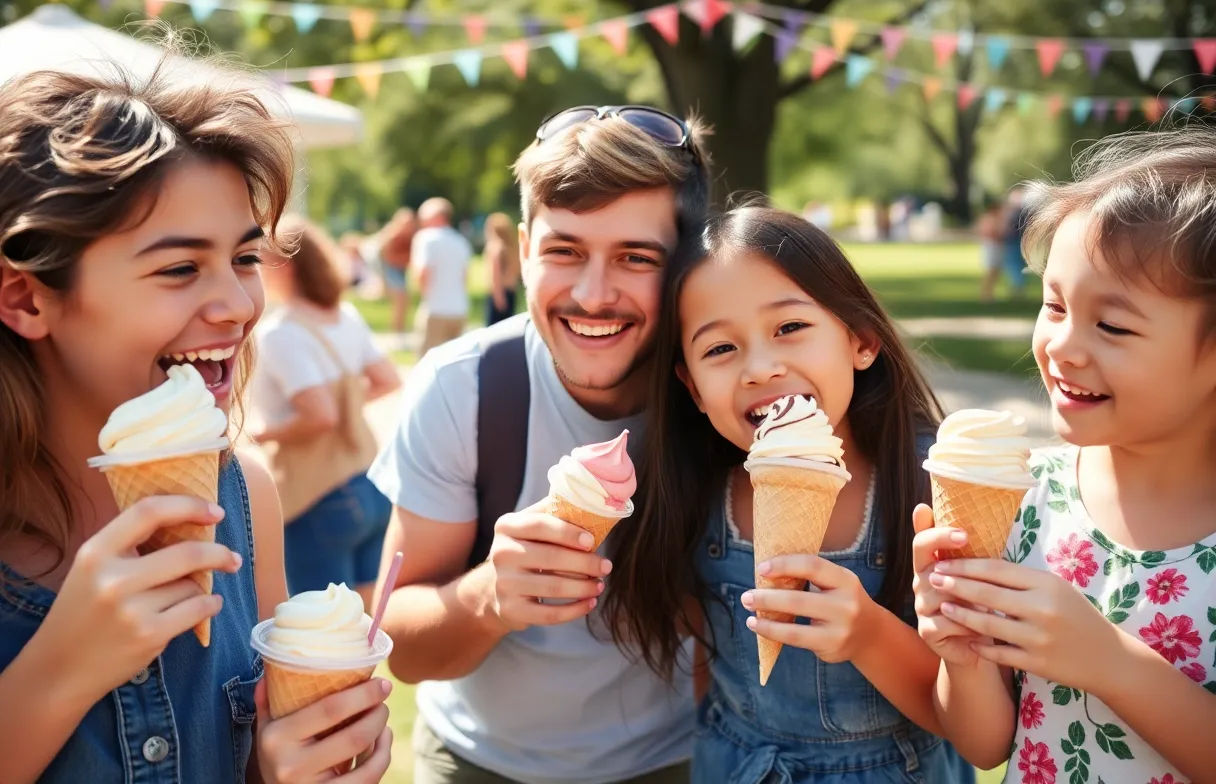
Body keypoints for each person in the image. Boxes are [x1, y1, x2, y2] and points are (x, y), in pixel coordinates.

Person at [0, 65, 391, 782]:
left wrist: (281, 769)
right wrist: (59, 672)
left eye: (245, 258)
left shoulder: (246, 498)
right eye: (180, 268)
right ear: (26, 298)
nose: (239, 305)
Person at [368, 105, 712, 784]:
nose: (592, 294)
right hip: (477, 761)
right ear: (523, 249)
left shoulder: (722, 394)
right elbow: (400, 646)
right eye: (565, 251)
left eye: (635, 258)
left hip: (676, 761)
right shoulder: (463, 387)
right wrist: (487, 596)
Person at [603, 206, 975, 783]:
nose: (760, 367)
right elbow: (712, 663)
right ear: (693, 389)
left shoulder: (930, 489)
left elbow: (976, 729)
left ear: (862, 341)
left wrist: (870, 634)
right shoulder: (697, 493)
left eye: (790, 328)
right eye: (719, 349)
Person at [913, 128, 1216, 783]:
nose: (1062, 346)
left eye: (1112, 325)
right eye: (1053, 305)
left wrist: (1107, 660)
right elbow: (986, 744)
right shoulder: (1028, 496)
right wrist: (960, 654)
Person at [251, 215, 402, 609]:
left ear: (285, 267)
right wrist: (347, 404)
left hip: (319, 496)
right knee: (364, 622)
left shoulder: (282, 331)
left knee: (318, 631)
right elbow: (387, 379)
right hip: (369, 481)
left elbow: (319, 417)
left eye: (256, 261)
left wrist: (258, 434)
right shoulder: (345, 316)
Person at [410, 197, 473, 357]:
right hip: (459, 309)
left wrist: (425, 297)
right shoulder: (461, 241)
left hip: (435, 308)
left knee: (426, 362)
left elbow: (423, 272)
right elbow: (465, 276)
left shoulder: (426, 238)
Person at [377, 207, 417, 333]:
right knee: (401, 298)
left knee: (404, 300)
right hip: (392, 269)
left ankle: (400, 327)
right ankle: (397, 329)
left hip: (401, 269)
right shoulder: (393, 234)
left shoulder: (411, 236)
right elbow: (382, 253)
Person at [483, 211, 522, 326]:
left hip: (498, 292)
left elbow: (495, 273)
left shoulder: (495, 247)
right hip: (511, 291)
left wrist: (498, 297)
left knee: (493, 329)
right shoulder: (512, 248)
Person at [976, 195, 1006, 303]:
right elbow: (990, 232)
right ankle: (986, 295)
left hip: (995, 246)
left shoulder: (996, 218)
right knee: (991, 270)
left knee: (996, 271)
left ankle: (989, 294)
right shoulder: (990, 218)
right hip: (991, 246)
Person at [1001, 185, 1029, 298]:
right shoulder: (1025, 213)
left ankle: (1017, 286)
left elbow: (1008, 228)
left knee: (1014, 265)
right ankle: (1019, 286)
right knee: (1017, 265)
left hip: (1013, 242)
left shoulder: (1014, 213)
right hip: (1020, 241)